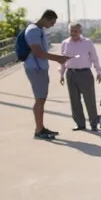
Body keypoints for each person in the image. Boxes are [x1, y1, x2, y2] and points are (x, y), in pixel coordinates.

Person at [24, 10, 69, 139]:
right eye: (52, 22)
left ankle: (41, 128)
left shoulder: (38, 29)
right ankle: (39, 131)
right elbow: (37, 52)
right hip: (36, 69)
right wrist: (58, 58)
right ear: (46, 19)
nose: (53, 25)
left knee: (41, 99)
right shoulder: (33, 30)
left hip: (39, 68)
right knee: (39, 99)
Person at [59, 23, 101, 131]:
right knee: (74, 100)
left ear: (80, 31)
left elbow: (94, 58)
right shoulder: (65, 43)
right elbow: (62, 60)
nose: (73, 33)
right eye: (71, 31)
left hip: (85, 73)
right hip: (71, 74)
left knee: (90, 99)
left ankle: (93, 123)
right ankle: (80, 124)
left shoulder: (87, 43)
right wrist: (61, 74)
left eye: (76, 31)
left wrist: (98, 72)